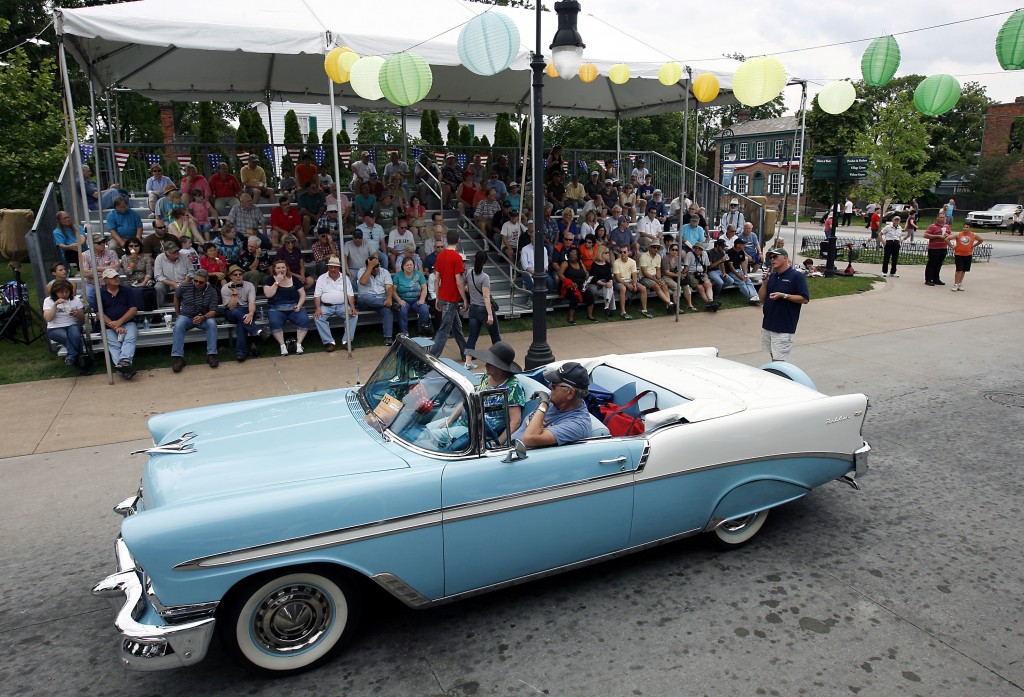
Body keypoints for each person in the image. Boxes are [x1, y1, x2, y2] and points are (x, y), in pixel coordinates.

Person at [442, 341, 526, 450]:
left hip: (472, 433)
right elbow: (467, 403)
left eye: (490, 363)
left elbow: (515, 421)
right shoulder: (484, 378)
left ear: (500, 367)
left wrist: (497, 443)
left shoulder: (513, 387)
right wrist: (448, 422)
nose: (485, 365)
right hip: (459, 423)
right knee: (425, 430)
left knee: (425, 436)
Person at [512, 361, 593, 448]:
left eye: (554, 384)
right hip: (507, 448)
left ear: (570, 393)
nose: (550, 386)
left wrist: (543, 405)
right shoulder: (556, 399)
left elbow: (529, 438)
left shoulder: (577, 425)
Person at [758, 248, 809, 362]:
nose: (772, 259)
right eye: (770, 257)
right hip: (768, 325)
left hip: (783, 328)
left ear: (785, 258)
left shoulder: (796, 276)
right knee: (773, 358)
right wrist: (764, 283)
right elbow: (761, 298)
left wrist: (784, 295)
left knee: (779, 362)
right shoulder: (772, 276)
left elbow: (805, 299)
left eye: (775, 257)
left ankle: (779, 379)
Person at [170, 269, 221, 372]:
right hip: (187, 316)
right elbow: (176, 297)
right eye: (195, 281)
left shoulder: (211, 291)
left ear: (206, 281)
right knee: (178, 325)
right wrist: (177, 313)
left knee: (212, 323)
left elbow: (214, 311)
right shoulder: (184, 286)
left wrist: (203, 317)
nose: (197, 283)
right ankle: (178, 358)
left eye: (201, 282)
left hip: (204, 317)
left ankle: (211, 355)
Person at [430, 229, 469, 360]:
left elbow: (436, 279)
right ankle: (432, 356)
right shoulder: (457, 257)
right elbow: (458, 281)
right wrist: (464, 299)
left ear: (447, 240)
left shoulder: (440, 255)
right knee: (444, 330)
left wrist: (436, 296)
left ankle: (465, 352)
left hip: (442, 296)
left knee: (456, 326)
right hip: (451, 298)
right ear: (458, 240)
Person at [264, 260, 309, 356]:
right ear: (274, 269)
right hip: (276, 308)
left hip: (293, 307)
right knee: (274, 322)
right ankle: (282, 345)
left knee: (304, 319)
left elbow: (302, 294)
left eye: (283, 267)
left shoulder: (294, 279)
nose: (281, 270)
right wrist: (277, 282)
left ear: (286, 268)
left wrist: (299, 305)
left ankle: (299, 344)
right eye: (278, 268)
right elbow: (268, 294)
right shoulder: (270, 280)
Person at [221, 265, 264, 362]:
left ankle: (240, 353)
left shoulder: (249, 285)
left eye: (240, 274)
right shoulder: (225, 288)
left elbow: (252, 302)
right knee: (236, 311)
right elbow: (231, 307)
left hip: (246, 310)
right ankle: (257, 331)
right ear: (230, 277)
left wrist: (251, 313)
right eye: (235, 275)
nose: (238, 276)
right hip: (232, 311)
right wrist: (234, 293)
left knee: (242, 323)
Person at [313, 257, 358, 350]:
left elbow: (350, 294)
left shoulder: (345, 278)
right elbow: (317, 295)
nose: (333, 269)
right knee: (318, 317)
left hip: (342, 305)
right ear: (328, 267)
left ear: (339, 268)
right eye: (331, 267)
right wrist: (318, 308)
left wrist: (352, 307)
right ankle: (329, 342)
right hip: (326, 306)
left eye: (335, 267)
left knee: (354, 315)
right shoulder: (321, 278)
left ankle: (346, 341)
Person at [463, 250, 500, 361]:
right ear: (485, 262)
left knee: (472, 336)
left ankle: (468, 361)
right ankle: (499, 358)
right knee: (495, 335)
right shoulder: (485, 277)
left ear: (475, 259)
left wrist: (470, 291)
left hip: (473, 308)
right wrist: (490, 314)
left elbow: (464, 286)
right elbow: (486, 297)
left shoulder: (469, 273)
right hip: (483, 309)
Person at [43, 279, 86, 373]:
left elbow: (82, 321)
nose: (64, 294)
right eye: (61, 292)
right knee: (71, 339)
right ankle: (81, 365)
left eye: (67, 292)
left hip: (72, 324)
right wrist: (55, 305)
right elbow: (48, 319)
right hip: (55, 328)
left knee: (74, 333)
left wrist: (76, 314)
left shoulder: (75, 300)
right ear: (55, 292)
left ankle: (71, 357)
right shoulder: (48, 301)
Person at [357, 255, 396, 346]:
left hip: (381, 300)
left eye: (377, 266)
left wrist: (389, 298)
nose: (376, 269)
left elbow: (389, 287)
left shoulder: (384, 272)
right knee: (363, 298)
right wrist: (370, 267)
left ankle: (388, 337)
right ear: (368, 266)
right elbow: (363, 282)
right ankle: (391, 304)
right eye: (374, 267)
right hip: (366, 301)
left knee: (387, 310)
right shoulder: (362, 271)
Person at [393, 255, 431, 339]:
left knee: (424, 309)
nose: (409, 266)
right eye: (407, 265)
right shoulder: (398, 276)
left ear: (414, 266)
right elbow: (393, 291)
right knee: (402, 310)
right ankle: (404, 333)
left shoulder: (419, 274)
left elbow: (424, 288)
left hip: (416, 299)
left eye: (411, 265)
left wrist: (422, 299)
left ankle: (422, 331)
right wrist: (399, 300)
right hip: (404, 300)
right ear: (403, 266)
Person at [80, 233, 119, 309]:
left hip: (109, 283)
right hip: (92, 284)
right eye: (99, 243)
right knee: (88, 295)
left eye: (103, 241)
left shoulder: (112, 253)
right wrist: (107, 271)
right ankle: (96, 310)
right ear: (91, 244)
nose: (102, 244)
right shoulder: (84, 255)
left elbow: (116, 268)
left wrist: (96, 269)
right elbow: (84, 273)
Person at [612, 245, 652, 320]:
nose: (622, 254)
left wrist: (634, 284)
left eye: (624, 252)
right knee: (623, 288)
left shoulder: (632, 262)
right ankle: (623, 311)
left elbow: (634, 275)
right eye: (621, 252)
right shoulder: (616, 263)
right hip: (619, 282)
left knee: (643, 288)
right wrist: (627, 285)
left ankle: (644, 310)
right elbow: (617, 278)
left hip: (629, 281)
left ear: (628, 253)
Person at [560, 246, 597, 324]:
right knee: (574, 297)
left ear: (578, 256)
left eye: (574, 254)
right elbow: (560, 274)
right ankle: (571, 318)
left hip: (581, 285)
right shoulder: (565, 263)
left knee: (589, 295)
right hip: (569, 286)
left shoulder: (580, 263)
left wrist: (587, 281)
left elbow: (586, 273)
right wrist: (569, 283)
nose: (572, 255)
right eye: (571, 253)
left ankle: (590, 315)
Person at [637, 241, 675, 314]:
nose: (656, 249)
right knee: (656, 286)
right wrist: (656, 280)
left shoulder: (658, 257)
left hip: (654, 276)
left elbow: (658, 270)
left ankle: (668, 306)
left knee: (664, 286)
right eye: (654, 247)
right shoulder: (643, 256)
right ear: (650, 248)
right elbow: (644, 272)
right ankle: (670, 303)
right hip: (644, 278)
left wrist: (659, 278)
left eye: (657, 248)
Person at [154, 240, 192, 306]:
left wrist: (185, 281)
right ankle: (158, 308)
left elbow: (191, 271)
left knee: (197, 282)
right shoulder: (159, 258)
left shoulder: (184, 256)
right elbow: (158, 276)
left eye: (177, 251)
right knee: (158, 287)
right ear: (167, 252)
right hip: (167, 284)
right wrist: (173, 284)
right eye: (173, 252)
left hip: (184, 281)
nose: (177, 253)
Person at [948, 223, 983, 292]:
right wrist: (952, 246)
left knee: (963, 270)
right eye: (964, 227)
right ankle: (956, 284)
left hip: (968, 254)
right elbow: (947, 239)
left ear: (970, 228)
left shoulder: (973, 235)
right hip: (959, 254)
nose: (965, 229)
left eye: (967, 227)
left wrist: (973, 246)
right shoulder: (959, 234)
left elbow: (981, 240)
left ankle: (960, 283)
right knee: (959, 270)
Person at [725, 238, 760, 304]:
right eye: (743, 244)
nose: (744, 245)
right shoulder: (729, 252)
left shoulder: (741, 251)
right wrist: (739, 276)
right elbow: (731, 266)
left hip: (739, 270)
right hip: (731, 272)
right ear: (738, 245)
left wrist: (745, 274)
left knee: (748, 280)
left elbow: (743, 263)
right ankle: (751, 298)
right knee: (742, 283)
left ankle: (755, 296)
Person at [684, 242, 717, 310]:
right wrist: (683, 273)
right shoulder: (689, 254)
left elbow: (706, 265)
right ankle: (710, 304)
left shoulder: (704, 254)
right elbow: (686, 267)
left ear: (702, 250)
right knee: (700, 288)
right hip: (691, 273)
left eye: (699, 249)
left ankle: (711, 301)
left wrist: (705, 273)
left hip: (701, 272)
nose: (697, 250)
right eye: (695, 248)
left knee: (708, 284)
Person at [923, 213, 954, 286]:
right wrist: (937, 236)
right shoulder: (932, 226)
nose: (942, 219)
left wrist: (948, 235)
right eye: (940, 217)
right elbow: (925, 235)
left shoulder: (947, 226)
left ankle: (936, 278)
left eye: (943, 217)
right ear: (937, 218)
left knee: (939, 264)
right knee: (932, 264)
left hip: (943, 247)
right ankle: (928, 279)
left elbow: (951, 235)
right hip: (934, 248)